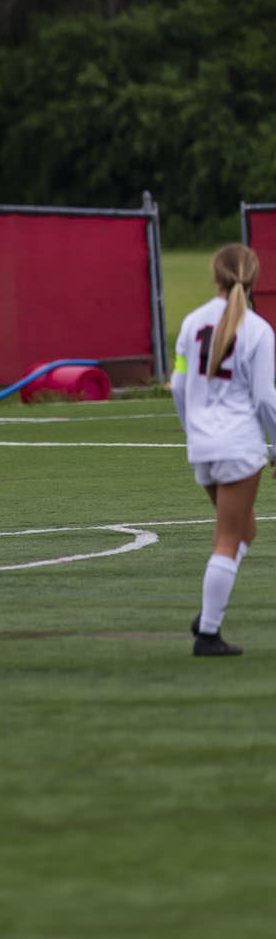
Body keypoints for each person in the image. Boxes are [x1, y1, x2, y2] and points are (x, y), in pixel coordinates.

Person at [172, 243, 276, 656]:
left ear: (216, 277)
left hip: (203, 446)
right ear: (253, 280)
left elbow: (179, 387)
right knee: (229, 539)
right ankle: (208, 633)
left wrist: (192, 430)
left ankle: (207, 615)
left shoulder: (190, 322)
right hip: (238, 445)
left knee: (243, 528)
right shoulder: (259, 330)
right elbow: (267, 399)